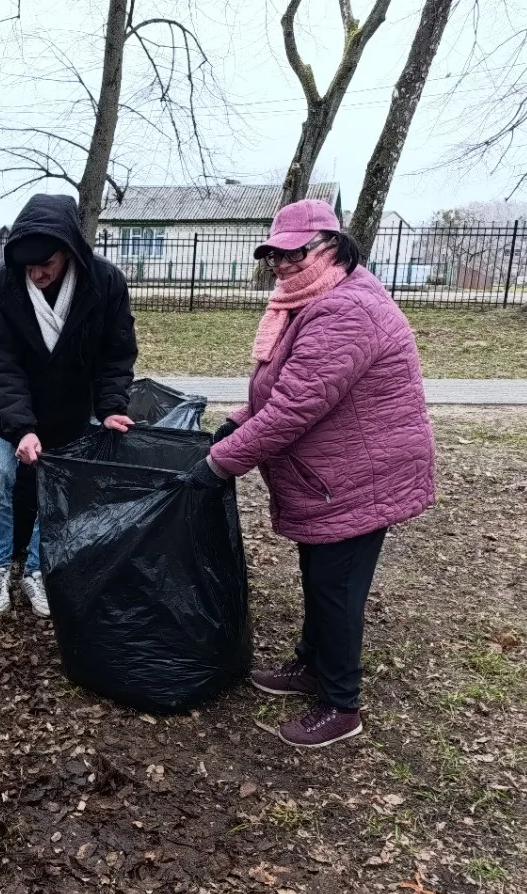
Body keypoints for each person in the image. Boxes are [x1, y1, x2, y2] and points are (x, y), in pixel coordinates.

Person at [182, 198, 435, 748]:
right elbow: (287, 389)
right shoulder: (313, 299)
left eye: (294, 253)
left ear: (332, 246)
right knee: (320, 577)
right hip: (331, 472)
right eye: (274, 254)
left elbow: (294, 408)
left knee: (336, 589)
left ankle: (341, 704)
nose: (282, 264)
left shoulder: (346, 310)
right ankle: (310, 666)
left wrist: (220, 463)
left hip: (359, 476)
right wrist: (235, 423)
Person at [0, 194, 138, 616]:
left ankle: (36, 568)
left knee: (54, 491)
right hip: (8, 406)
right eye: (28, 265)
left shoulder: (104, 283)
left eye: (45, 263)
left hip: (68, 408)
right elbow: (0, 362)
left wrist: (110, 407)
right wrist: (21, 428)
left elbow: (116, 353)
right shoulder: (1, 284)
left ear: (68, 250)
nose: (36, 273)